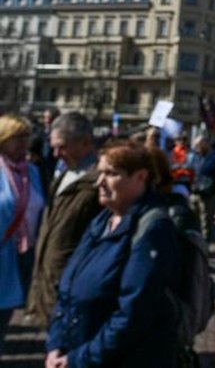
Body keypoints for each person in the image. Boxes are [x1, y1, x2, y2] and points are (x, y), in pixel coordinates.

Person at [45, 140, 181, 367]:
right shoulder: (102, 221)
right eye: (100, 173)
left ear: (140, 177)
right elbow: (67, 290)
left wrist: (78, 359)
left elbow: (133, 314)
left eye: (111, 174)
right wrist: (56, 345)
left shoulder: (152, 230)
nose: (100, 182)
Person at [26, 112, 103, 328]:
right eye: (53, 147)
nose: (56, 153)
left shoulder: (99, 180)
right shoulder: (64, 174)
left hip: (73, 285)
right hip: (50, 282)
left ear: (85, 143)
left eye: (62, 147)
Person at [0, 114, 45, 354]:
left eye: (25, 137)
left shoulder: (33, 172)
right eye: (16, 138)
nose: (23, 143)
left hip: (23, 253)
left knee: (6, 314)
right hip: (1, 250)